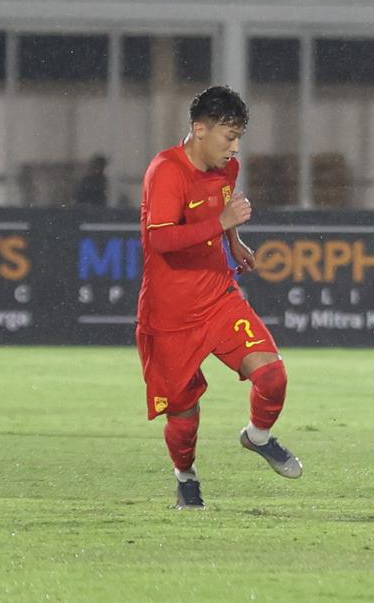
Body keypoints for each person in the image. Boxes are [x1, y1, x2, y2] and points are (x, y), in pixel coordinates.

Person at [136, 85, 302, 509]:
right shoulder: (166, 171)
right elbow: (161, 242)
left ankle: (258, 436)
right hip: (170, 314)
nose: (235, 146)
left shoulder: (227, 168)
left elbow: (220, 210)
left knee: (273, 377)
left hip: (218, 297)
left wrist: (235, 240)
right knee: (183, 413)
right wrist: (223, 222)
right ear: (199, 129)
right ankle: (186, 477)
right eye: (229, 136)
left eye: (239, 137)